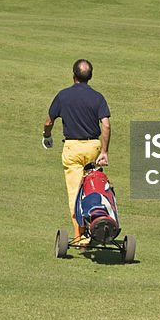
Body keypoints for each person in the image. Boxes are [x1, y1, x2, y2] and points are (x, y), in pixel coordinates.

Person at [42, 59, 111, 248]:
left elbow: (49, 121)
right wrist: (104, 151)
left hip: (72, 148)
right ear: (91, 76)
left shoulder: (63, 96)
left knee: (75, 193)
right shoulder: (98, 97)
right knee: (93, 188)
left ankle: (80, 236)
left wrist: (46, 136)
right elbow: (105, 124)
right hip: (93, 148)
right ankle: (97, 225)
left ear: (73, 75)